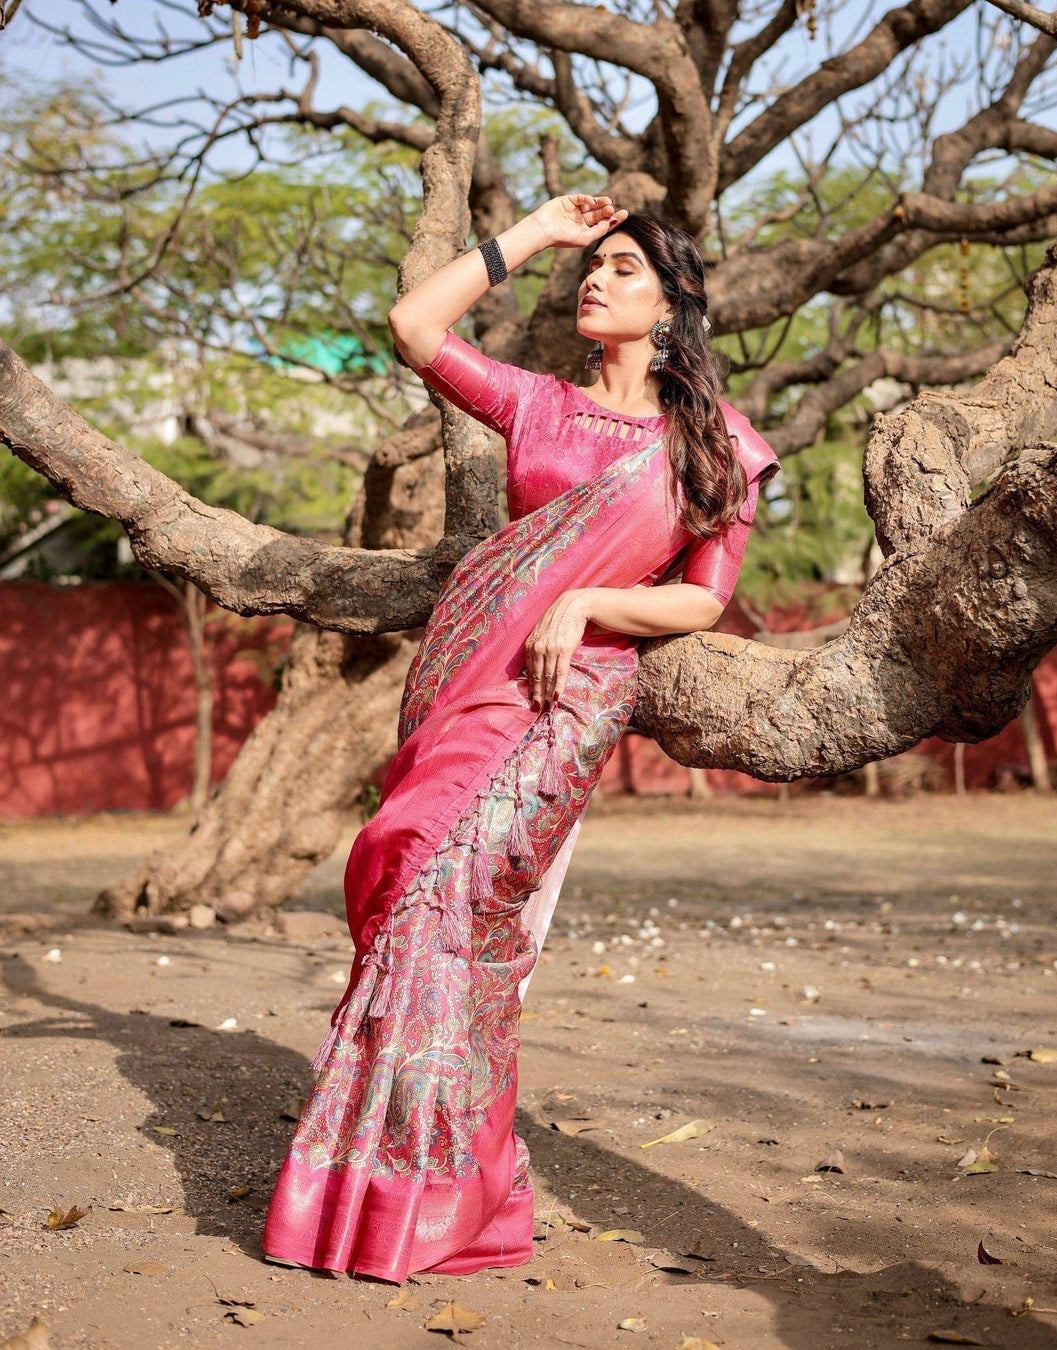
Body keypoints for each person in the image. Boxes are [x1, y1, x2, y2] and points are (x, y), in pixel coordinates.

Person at [261, 196, 781, 1284]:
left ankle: (453, 1198)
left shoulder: (714, 444)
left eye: (623, 268)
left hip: (570, 694)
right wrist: (536, 232)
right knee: (409, 896)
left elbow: (700, 602)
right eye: (589, 268)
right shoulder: (538, 406)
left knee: (466, 912)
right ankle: (377, 1189)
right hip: (469, 682)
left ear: (676, 304)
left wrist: (586, 603)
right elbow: (414, 327)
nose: (595, 281)